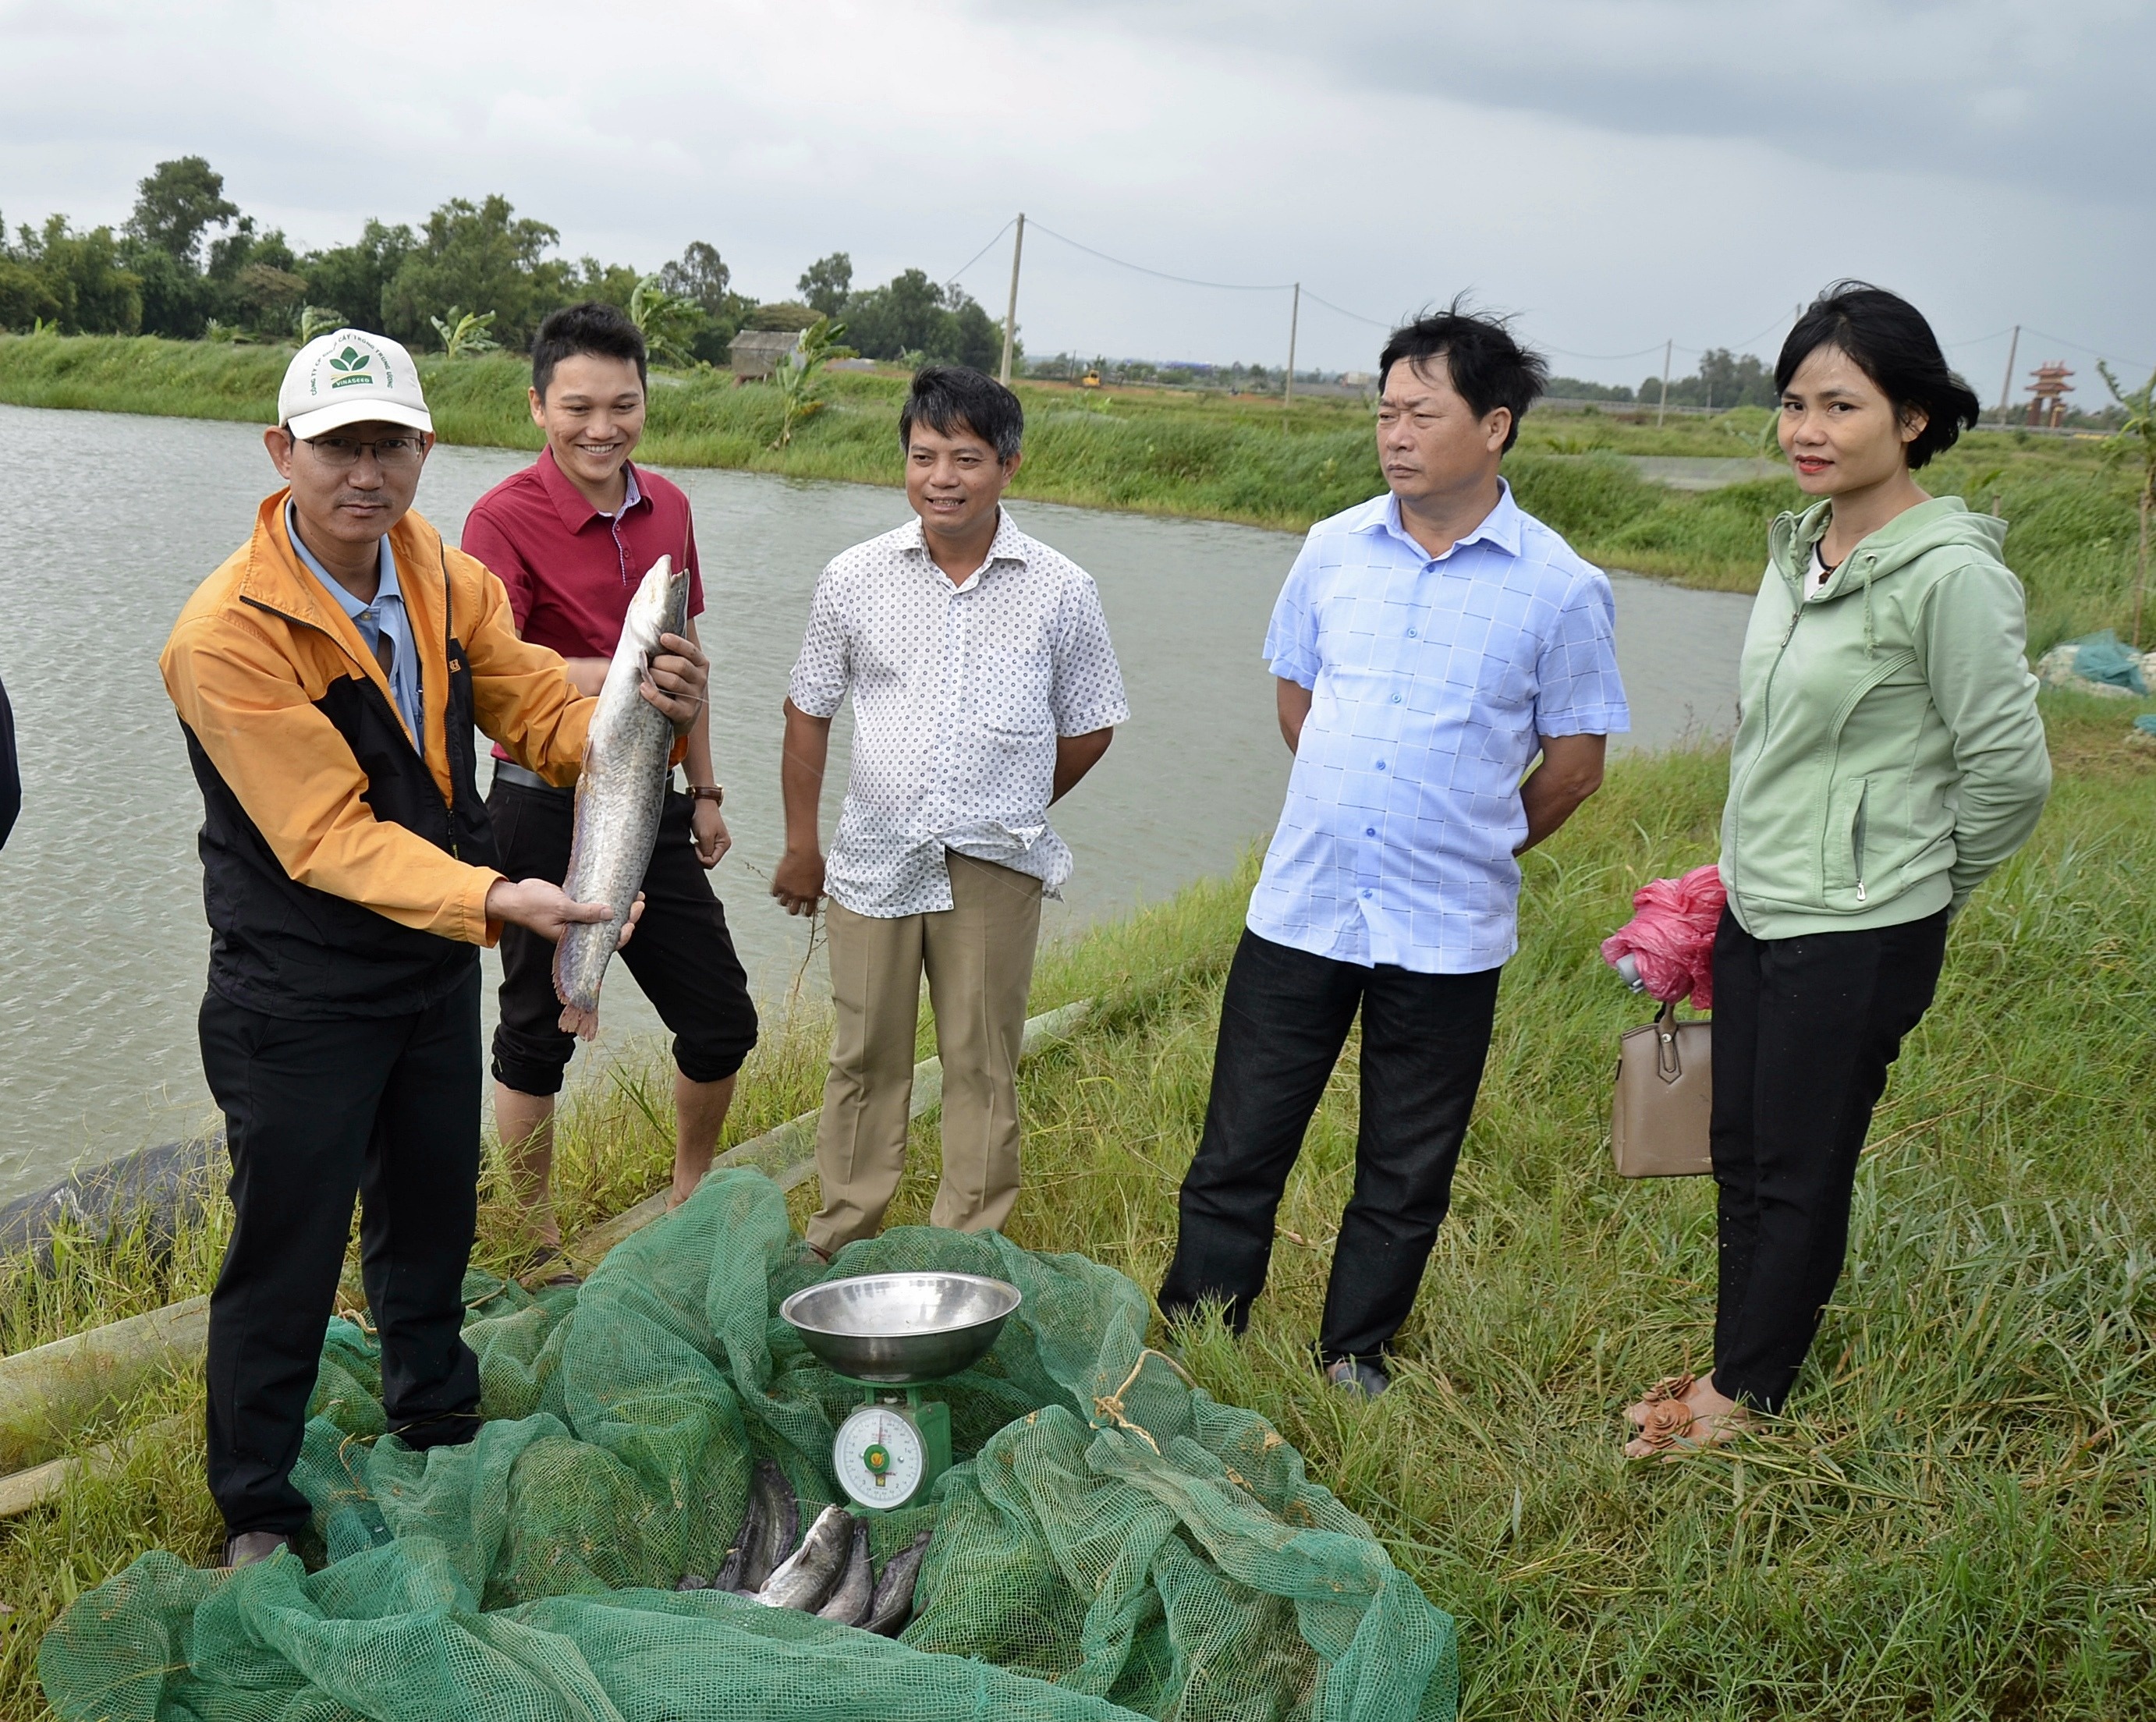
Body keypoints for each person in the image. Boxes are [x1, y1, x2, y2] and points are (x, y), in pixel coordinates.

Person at [161, 328, 709, 1567]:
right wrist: (500, 897)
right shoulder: (225, 634)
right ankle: (256, 1500)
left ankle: (436, 1413)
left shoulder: (445, 576)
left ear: (425, 448)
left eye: (391, 446)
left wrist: (636, 711)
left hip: (429, 965)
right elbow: (327, 837)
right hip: (296, 983)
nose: (367, 474)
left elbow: (540, 711)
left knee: (430, 1209)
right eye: (339, 447)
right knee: (287, 1248)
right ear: (282, 451)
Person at [1157, 306, 1629, 1399]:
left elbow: (1574, 765)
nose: (1396, 434)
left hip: (1447, 927)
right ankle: (1199, 1333)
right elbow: (1298, 699)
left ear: (1495, 426)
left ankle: (1353, 1352)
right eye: (1385, 412)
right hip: (1305, 904)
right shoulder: (1332, 548)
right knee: (1240, 1140)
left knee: (1406, 1164)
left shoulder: (1561, 587)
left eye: (1423, 412)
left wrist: (1468, 835)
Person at [1623, 284, 2049, 1457]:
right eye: (1792, 403)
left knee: (1800, 1164)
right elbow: (1781, 743)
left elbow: (2011, 772)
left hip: (1861, 927)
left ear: (1912, 418)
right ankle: (1735, 1363)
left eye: (1840, 405)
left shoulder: (1949, 575)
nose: (1806, 430)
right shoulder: (1800, 549)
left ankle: (1745, 1398)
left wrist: (1918, 889)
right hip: (1763, 910)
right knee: (1739, 1150)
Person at [773, 366, 1128, 1257]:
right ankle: (840, 1236)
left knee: (981, 1059)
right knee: (864, 1056)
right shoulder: (854, 576)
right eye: (924, 456)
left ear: (1008, 465)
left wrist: (1011, 798)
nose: (942, 478)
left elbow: (1090, 727)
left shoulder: (1061, 588)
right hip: (873, 856)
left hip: (996, 861)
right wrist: (801, 845)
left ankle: (965, 1249)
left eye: (965, 459)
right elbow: (807, 711)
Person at [463, 302, 757, 1270]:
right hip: (539, 800)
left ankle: (689, 1195)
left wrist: (705, 791)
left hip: (653, 799)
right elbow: (492, 665)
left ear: (644, 403)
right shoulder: (500, 517)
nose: (602, 428)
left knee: (720, 1018)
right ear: (537, 407)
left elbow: (688, 657)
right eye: (578, 407)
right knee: (534, 1032)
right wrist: (623, 670)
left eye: (623, 405)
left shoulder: (669, 506)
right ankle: (534, 1237)